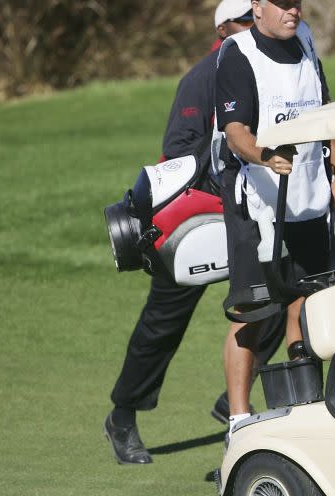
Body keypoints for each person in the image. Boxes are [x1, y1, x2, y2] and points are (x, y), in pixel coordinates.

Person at [103, 0, 266, 466]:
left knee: (273, 301)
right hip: (193, 219)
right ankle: (123, 416)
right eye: (246, 21)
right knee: (163, 323)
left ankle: (231, 397)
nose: (255, 27)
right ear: (225, 27)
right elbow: (178, 150)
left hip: (251, 214)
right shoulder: (202, 76)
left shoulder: (268, 64)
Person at [214, 0, 335, 434]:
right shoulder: (238, 52)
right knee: (253, 314)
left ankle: (304, 403)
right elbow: (235, 131)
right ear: (257, 7)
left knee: (305, 302)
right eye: (282, 4)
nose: (292, 10)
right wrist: (265, 156)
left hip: (309, 194)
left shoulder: (307, 37)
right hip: (256, 202)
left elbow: (326, 107)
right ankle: (238, 417)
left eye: (296, 2)